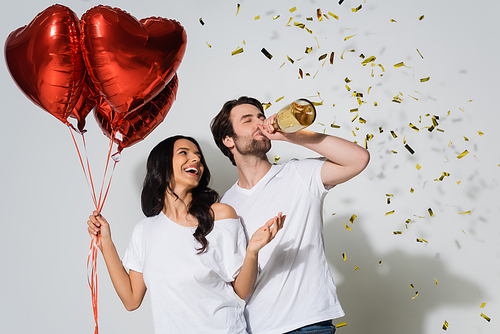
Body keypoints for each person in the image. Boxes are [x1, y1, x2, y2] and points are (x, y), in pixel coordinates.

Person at [87, 135, 285, 334]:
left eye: (198, 156)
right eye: (184, 153)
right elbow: (131, 300)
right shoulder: (144, 231)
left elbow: (243, 291)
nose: (196, 160)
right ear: (162, 166)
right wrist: (106, 243)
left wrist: (252, 251)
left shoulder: (220, 215)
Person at [210, 96, 370, 334]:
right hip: (257, 327)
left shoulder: (299, 174)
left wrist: (291, 135)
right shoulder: (225, 206)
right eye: (248, 119)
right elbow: (235, 283)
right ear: (228, 139)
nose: (259, 123)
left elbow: (358, 159)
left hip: (309, 323)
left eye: (261, 117)